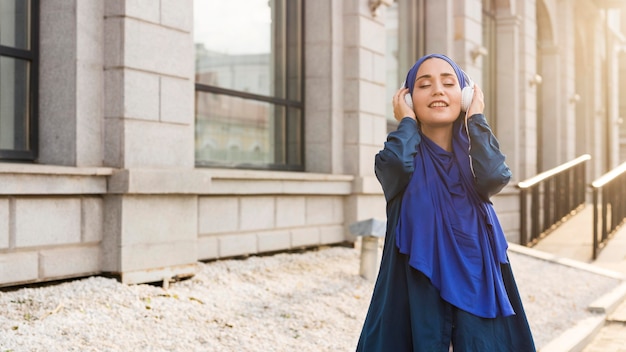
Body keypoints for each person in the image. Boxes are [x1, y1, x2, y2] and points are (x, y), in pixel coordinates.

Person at [356, 54, 536, 351]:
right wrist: (406, 123)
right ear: (410, 99)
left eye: (449, 83)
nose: (438, 90)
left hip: (478, 299)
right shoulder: (402, 159)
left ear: (464, 96)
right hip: (418, 300)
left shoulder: (475, 160)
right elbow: (397, 165)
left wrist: (476, 117)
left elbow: (495, 175)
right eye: (424, 85)